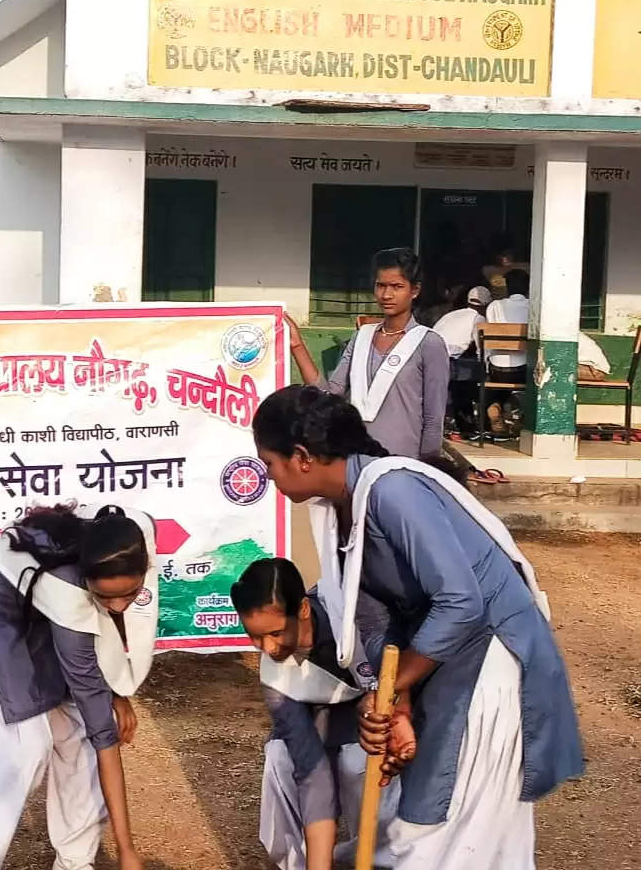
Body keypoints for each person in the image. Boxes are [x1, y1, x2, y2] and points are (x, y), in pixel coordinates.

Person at [250, 386, 583, 870]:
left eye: (270, 463)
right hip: (443, 662)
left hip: (490, 661)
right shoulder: (343, 508)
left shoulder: (392, 491)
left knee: (455, 831)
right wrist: (395, 700)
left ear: (301, 457)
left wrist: (396, 685)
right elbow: (372, 617)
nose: (268, 476)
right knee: (423, 824)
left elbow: (461, 602)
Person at [0, 503, 156, 870]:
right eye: (106, 597)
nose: (119, 606)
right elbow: (104, 736)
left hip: (45, 608)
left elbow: (116, 621)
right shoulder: (70, 592)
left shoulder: (136, 536)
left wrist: (118, 691)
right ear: (86, 579)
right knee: (22, 747)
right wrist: (127, 850)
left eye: (131, 592)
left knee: (77, 732)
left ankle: (75, 862)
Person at [231, 558, 398, 870]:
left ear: (303, 610)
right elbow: (312, 771)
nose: (267, 647)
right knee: (280, 758)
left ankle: (383, 858)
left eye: (277, 633)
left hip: (372, 726)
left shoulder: (355, 616)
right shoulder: (275, 676)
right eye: (255, 636)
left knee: (355, 763)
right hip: (321, 724)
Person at [285, 248, 450, 461]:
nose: (387, 295)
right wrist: (297, 346)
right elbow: (328, 395)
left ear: (414, 290)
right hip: (354, 460)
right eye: (381, 285)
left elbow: (433, 419)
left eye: (397, 287)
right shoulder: (361, 337)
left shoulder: (429, 343)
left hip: (402, 463)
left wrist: (427, 470)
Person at [433, 286, 491, 437]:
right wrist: (486, 365)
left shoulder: (451, 315)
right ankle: (467, 425)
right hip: (452, 361)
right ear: (485, 305)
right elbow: (481, 347)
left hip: (433, 358)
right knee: (467, 384)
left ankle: (455, 422)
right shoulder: (478, 318)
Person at [484, 269, 530, 437]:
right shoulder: (534, 306)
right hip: (524, 369)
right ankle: (523, 419)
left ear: (508, 288)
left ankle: (495, 408)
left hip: (498, 369)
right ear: (528, 287)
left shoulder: (494, 306)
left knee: (495, 381)